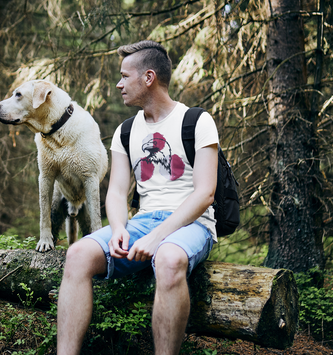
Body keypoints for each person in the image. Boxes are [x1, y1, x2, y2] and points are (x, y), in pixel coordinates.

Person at [56, 40, 220, 355]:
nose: (119, 84)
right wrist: (119, 227)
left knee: (169, 258)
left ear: (148, 78)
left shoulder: (197, 121)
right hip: (143, 222)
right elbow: (117, 191)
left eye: (124, 76)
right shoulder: (126, 131)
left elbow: (205, 194)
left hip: (192, 223)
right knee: (77, 255)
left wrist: (159, 237)